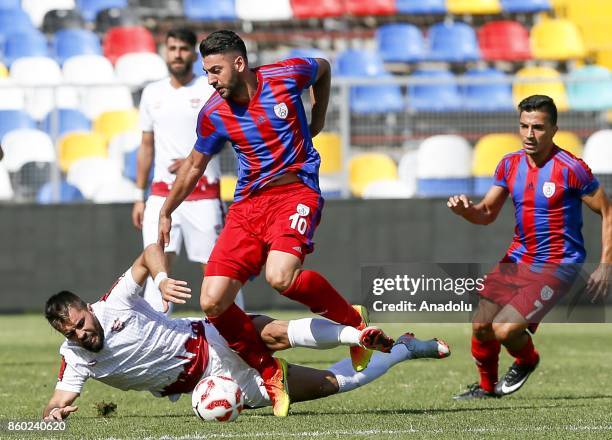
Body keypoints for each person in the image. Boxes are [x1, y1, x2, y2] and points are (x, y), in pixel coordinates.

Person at [156, 30, 386, 416]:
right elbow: (195, 165)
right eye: (207, 72)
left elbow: (324, 69)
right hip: (247, 207)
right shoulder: (213, 113)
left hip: (296, 193)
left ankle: (351, 320)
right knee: (212, 301)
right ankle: (269, 372)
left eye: (215, 71)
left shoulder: (287, 75)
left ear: (239, 63)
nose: (210, 80)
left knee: (281, 277)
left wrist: (318, 116)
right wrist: (166, 210)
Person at [42, 243, 450, 421]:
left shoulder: (114, 302)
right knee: (333, 383)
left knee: (274, 333)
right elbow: (55, 404)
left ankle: (353, 333)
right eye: (73, 332)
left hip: (212, 337)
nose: (82, 334)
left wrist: (162, 277)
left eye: (82, 323)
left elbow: (151, 251)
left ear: (86, 308)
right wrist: (53, 417)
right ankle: (403, 350)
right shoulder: (75, 357)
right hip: (212, 382)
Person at [448, 95, 611, 399]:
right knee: (482, 324)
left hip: (558, 264)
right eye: (523, 126)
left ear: (553, 130)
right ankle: (486, 390)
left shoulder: (571, 169)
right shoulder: (509, 164)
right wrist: (465, 211)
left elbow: (608, 210)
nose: (528, 134)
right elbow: (486, 214)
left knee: (505, 330)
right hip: (519, 258)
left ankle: (527, 359)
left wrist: (605, 264)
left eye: (537, 127)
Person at [131, 28, 243, 313]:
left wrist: (195, 159)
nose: (177, 54)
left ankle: (238, 336)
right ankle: (155, 340)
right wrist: (138, 195)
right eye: (172, 48)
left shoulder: (211, 88)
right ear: (164, 52)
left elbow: (229, 134)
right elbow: (146, 146)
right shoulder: (151, 92)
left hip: (203, 193)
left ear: (194, 53)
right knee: (158, 267)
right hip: (160, 194)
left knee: (217, 269)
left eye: (183, 49)